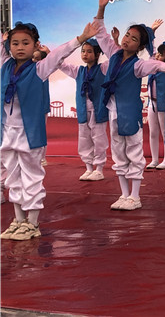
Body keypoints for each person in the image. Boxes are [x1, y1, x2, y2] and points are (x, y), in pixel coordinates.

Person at [0, 20, 99, 240]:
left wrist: (81, 39)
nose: (20, 47)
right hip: (7, 133)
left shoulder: (39, 69)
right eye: (15, 43)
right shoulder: (5, 65)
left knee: (31, 176)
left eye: (26, 43)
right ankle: (18, 220)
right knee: (13, 177)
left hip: (29, 135)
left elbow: (60, 53)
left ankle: (33, 222)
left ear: (36, 45)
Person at [93, 0, 165, 211]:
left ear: (140, 47)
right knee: (118, 153)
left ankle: (135, 196)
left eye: (134, 39)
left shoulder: (138, 65)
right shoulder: (114, 53)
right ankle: (124, 194)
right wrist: (102, 8)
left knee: (134, 152)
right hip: (113, 112)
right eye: (127, 35)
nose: (127, 39)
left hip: (129, 114)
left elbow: (157, 66)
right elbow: (100, 33)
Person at [59, 38, 109, 181]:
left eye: (89, 51)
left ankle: (99, 169)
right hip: (83, 109)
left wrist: (108, 42)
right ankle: (88, 168)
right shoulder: (78, 71)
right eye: (83, 51)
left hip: (98, 110)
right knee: (84, 139)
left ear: (97, 54)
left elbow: (114, 58)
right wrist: (50, 54)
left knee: (99, 139)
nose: (85, 54)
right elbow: (60, 64)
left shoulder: (103, 69)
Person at [146, 39, 165, 170]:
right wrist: (151, 35)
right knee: (153, 132)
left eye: (161, 54)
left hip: (164, 105)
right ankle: (154, 159)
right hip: (152, 103)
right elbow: (150, 50)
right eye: (157, 53)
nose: (157, 55)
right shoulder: (153, 65)